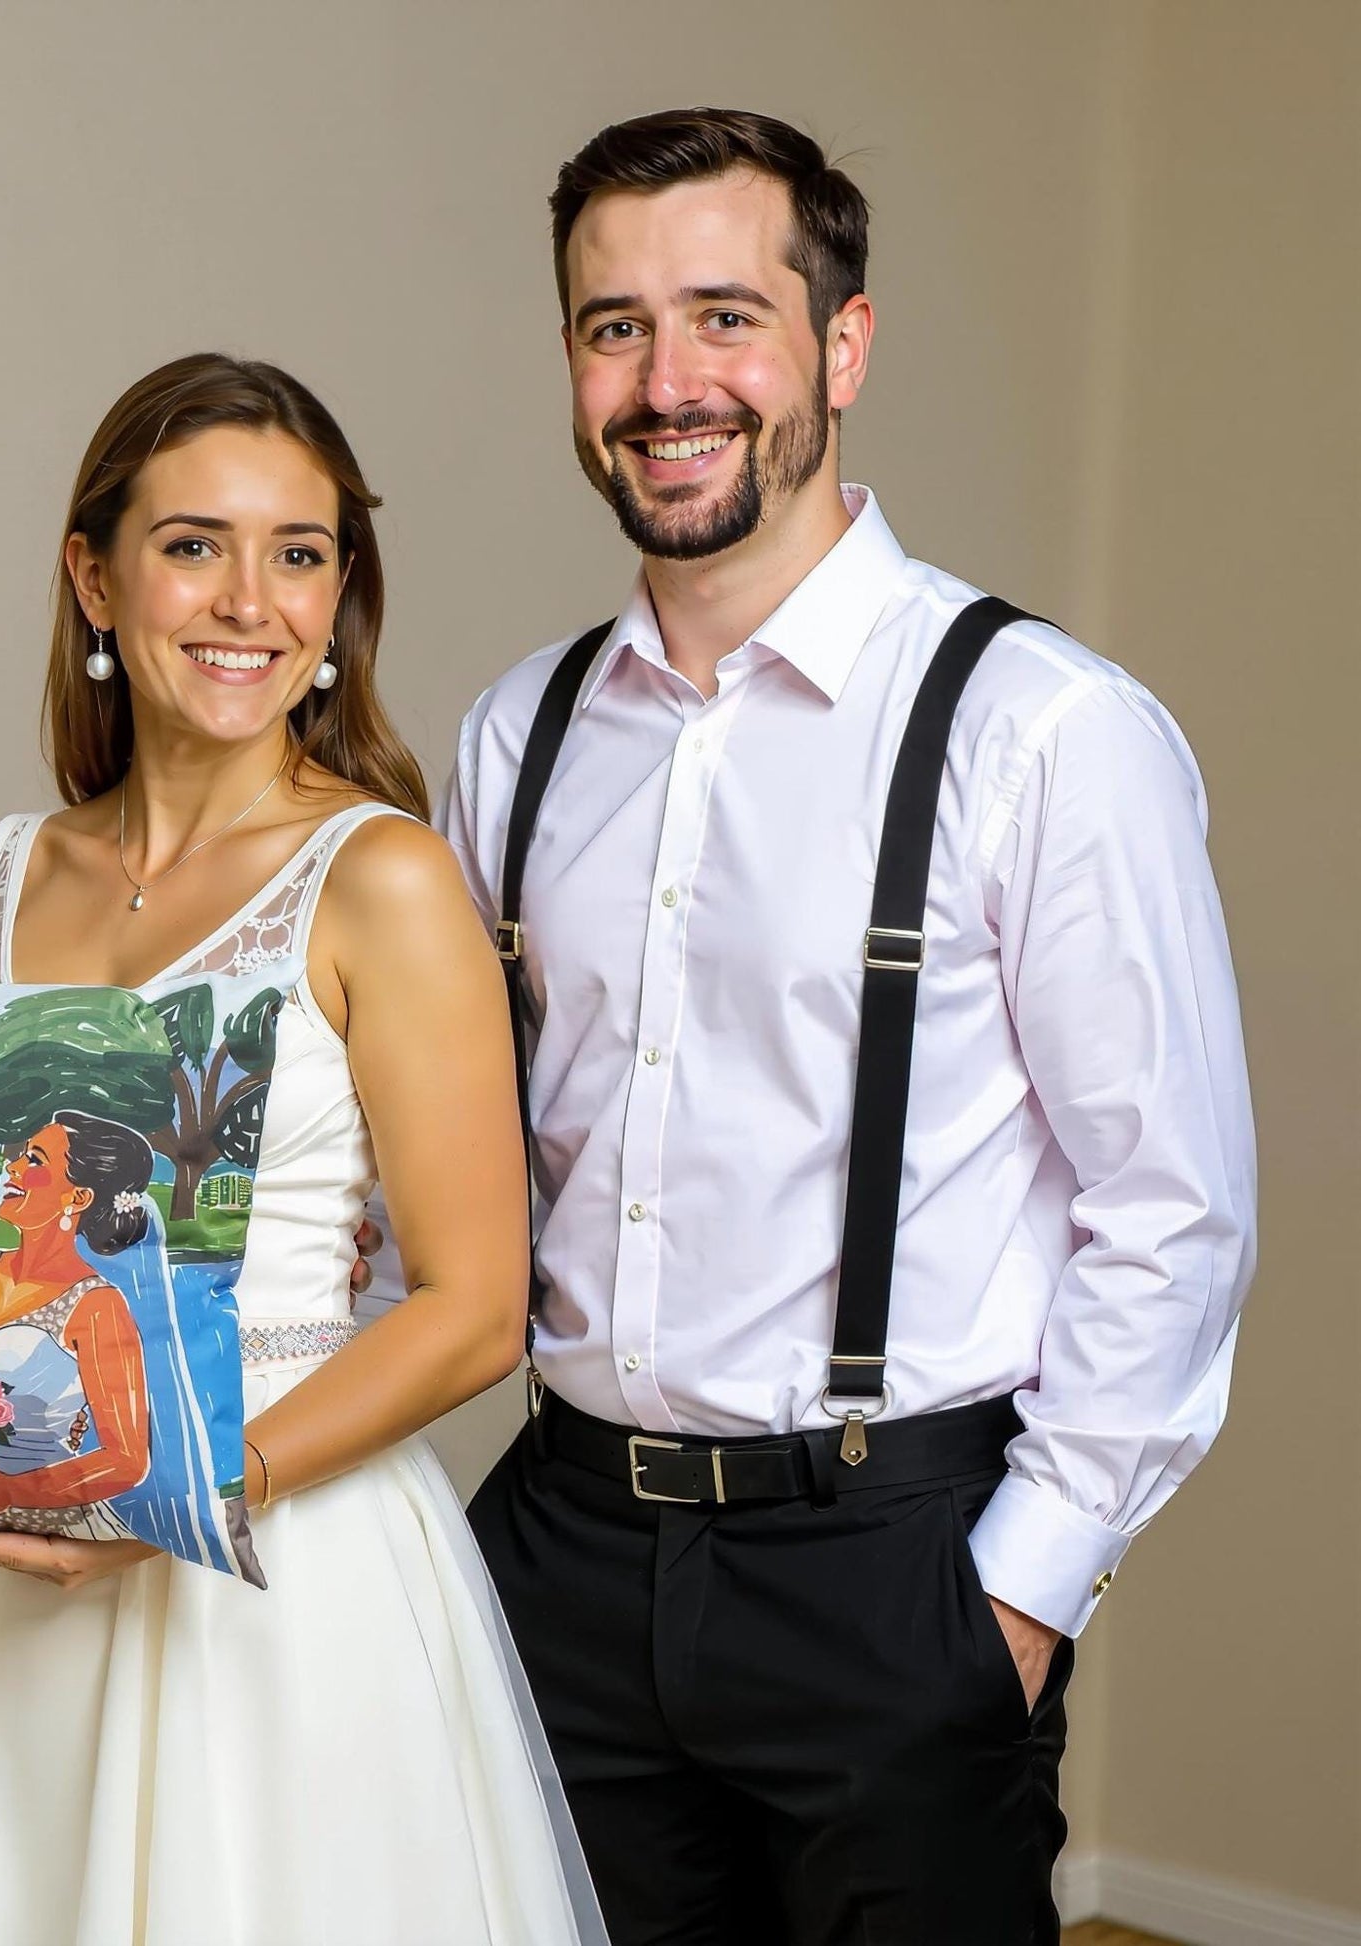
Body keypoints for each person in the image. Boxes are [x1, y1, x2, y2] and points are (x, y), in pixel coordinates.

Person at [426, 108, 1255, 1945]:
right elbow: (423, 1171)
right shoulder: (514, 738)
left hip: (891, 1571)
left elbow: (1174, 1211)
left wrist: (1014, 1599)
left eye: (725, 315)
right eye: (616, 327)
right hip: (562, 1556)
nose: (668, 383)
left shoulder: (1042, 729)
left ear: (843, 345)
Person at [0, 352, 609, 1946]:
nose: (248, 601)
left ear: (339, 597)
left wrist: (174, 1496)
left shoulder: (383, 880)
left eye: (298, 553)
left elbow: (473, 1308)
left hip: (274, 1569)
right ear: (94, 578)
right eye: (191, 545)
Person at [0, 1112, 155, 1541]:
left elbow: (127, 1459)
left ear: (79, 1197)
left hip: (51, 1524)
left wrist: (8, 1490)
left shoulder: (97, 1306)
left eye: (34, 1160)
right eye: (21, 1155)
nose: (12, 1167)